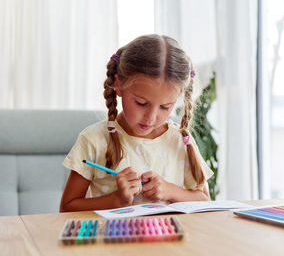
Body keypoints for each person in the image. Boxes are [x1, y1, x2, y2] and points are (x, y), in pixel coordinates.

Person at [60, 34, 213, 212]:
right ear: (118, 85)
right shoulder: (93, 140)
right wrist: (116, 200)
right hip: (113, 238)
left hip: (171, 238)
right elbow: (67, 207)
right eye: (141, 103)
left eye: (165, 107)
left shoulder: (179, 141)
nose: (151, 117)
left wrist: (170, 190)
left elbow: (204, 201)